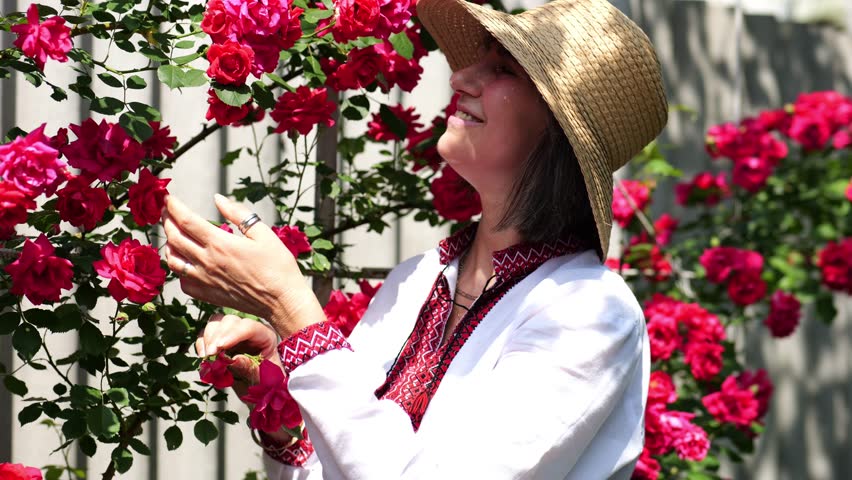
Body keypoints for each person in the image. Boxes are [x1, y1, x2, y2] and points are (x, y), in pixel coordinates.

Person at [161, 0, 668, 477]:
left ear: (557, 130)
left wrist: (291, 307)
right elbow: (342, 466)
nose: (461, 76)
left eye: (503, 70)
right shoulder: (419, 277)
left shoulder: (589, 311)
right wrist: (284, 405)